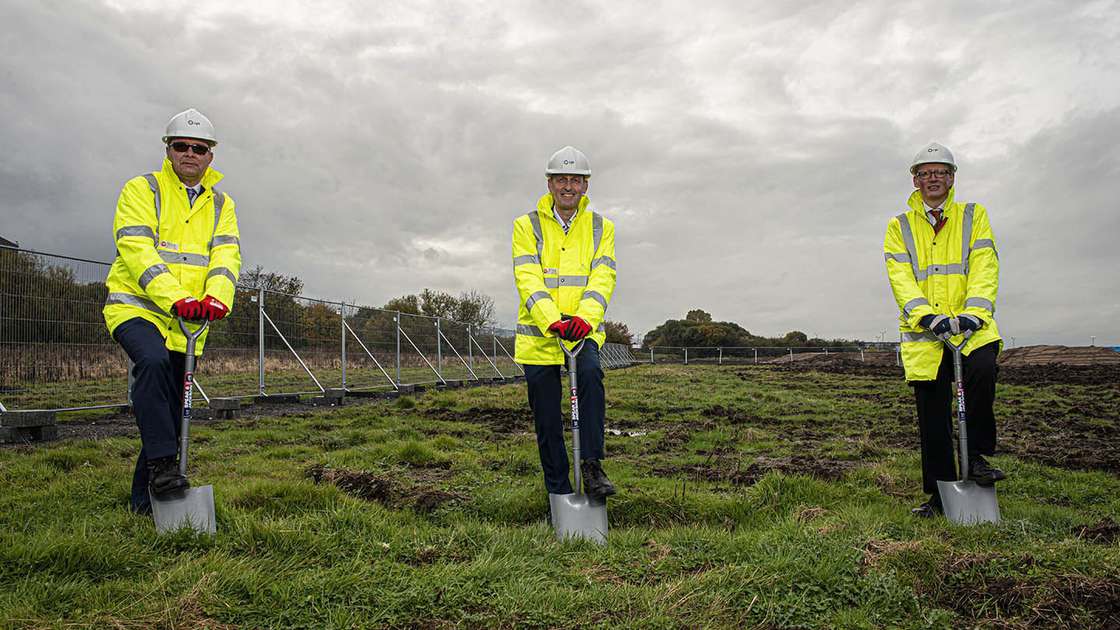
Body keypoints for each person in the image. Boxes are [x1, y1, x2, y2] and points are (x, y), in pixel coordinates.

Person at [103, 108, 241, 515]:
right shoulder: (142, 190)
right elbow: (136, 248)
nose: (190, 154)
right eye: (181, 146)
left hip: (190, 321)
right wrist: (173, 296)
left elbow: (226, 256)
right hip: (138, 308)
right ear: (168, 149)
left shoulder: (221, 204)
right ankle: (165, 465)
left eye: (199, 148)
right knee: (152, 361)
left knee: (167, 408)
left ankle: (145, 502)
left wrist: (217, 298)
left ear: (210, 156)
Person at [883, 141, 1006, 518]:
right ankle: (939, 497)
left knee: (983, 371)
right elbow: (900, 276)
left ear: (952, 178)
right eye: (924, 173)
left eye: (940, 172)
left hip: (972, 329)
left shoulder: (974, 215)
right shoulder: (899, 227)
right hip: (926, 335)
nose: (932, 179)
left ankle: (979, 458)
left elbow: (985, 264)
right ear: (915, 181)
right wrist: (925, 316)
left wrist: (974, 313)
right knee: (933, 415)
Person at [512, 146, 617, 500]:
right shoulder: (526, 226)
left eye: (575, 180)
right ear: (550, 183)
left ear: (585, 186)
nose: (568, 186)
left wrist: (584, 321)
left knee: (590, 378)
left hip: (582, 332)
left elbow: (603, 278)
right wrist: (552, 321)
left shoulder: (602, 227)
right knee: (546, 417)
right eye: (561, 180)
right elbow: (527, 276)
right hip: (540, 335)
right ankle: (557, 490)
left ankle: (591, 466)